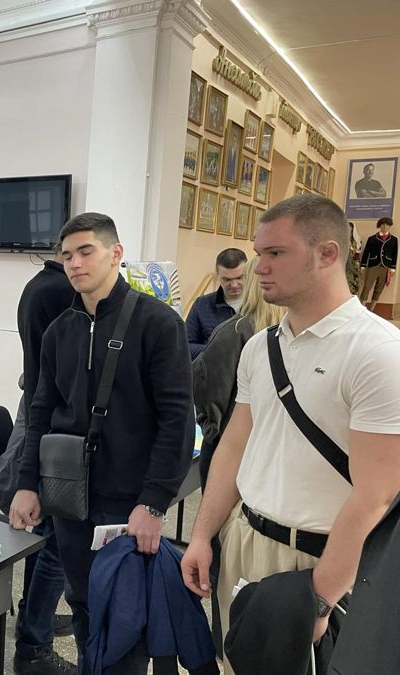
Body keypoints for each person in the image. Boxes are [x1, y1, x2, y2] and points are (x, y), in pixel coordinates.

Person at [181, 195, 400, 674]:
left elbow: (376, 495)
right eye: (259, 253)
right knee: (234, 664)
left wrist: (320, 598)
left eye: (275, 253)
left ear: (327, 253)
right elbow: (235, 445)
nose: (259, 267)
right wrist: (203, 534)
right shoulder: (260, 346)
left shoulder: (378, 352)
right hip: (244, 538)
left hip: (319, 560)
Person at [10, 212, 194, 673]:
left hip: (129, 501)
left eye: (86, 251)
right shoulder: (60, 331)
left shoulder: (158, 323)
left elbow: (177, 420)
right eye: (67, 255)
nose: (74, 263)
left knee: (127, 614)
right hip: (70, 496)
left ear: (116, 254)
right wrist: (27, 483)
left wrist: (153, 503)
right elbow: (40, 413)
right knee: (84, 604)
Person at [191, 255, 286, 656]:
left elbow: (204, 388)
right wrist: (221, 433)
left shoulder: (272, 334)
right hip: (235, 462)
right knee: (226, 555)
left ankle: (230, 643)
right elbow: (204, 386)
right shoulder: (238, 334)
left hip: (254, 468)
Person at [12, 254, 76, 675]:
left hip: (43, 417)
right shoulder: (61, 291)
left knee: (45, 535)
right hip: (53, 426)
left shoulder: (37, 284)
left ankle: (33, 617)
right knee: (54, 542)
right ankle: (34, 642)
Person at [185, 248, 248, 358]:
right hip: (213, 367)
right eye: (227, 280)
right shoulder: (201, 305)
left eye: (239, 278)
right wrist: (218, 350)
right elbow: (186, 346)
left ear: (249, 273)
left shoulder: (264, 304)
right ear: (217, 276)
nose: (234, 285)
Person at [358, 216, 397, 310]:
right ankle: (362, 309)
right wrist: (363, 265)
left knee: (379, 289)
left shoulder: (394, 239)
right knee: (367, 287)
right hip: (373, 265)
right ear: (380, 225)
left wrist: (393, 268)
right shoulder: (372, 238)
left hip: (385, 266)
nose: (385, 226)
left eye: (387, 225)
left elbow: (395, 254)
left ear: (390, 226)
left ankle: (371, 310)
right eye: (383, 224)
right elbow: (366, 253)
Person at [345, 221, 362, 295]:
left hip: (353, 265)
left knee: (353, 282)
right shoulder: (342, 240)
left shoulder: (356, 242)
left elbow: (357, 254)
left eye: (350, 230)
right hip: (343, 265)